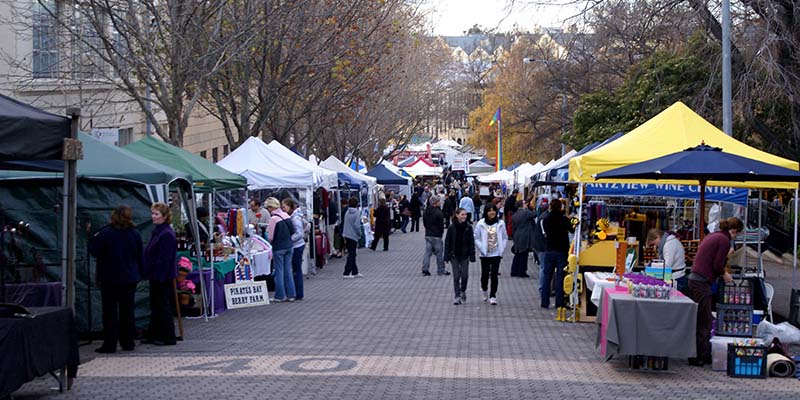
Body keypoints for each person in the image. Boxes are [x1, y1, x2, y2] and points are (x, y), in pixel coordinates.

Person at [688, 217, 743, 367]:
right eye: (737, 234)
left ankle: (699, 353)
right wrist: (725, 274)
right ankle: (699, 356)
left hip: (694, 279)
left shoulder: (713, 235)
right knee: (704, 320)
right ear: (734, 231)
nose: (735, 237)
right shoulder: (724, 241)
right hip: (701, 282)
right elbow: (717, 265)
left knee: (700, 318)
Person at [88, 205, 142, 353]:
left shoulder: (105, 233)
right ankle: (128, 342)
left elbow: (94, 250)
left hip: (109, 277)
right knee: (128, 311)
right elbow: (139, 254)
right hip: (129, 277)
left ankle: (110, 343)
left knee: (110, 312)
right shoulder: (135, 234)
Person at [142, 202, 177, 346]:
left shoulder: (166, 234)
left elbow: (165, 258)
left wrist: (160, 275)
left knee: (162, 305)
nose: (153, 217)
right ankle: (154, 334)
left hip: (161, 276)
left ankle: (168, 336)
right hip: (155, 274)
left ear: (164, 216)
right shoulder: (158, 231)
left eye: (156, 214)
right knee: (156, 305)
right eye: (153, 213)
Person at [541, 199, 574, 318]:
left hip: (549, 249)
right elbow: (572, 229)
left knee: (547, 276)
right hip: (561, 250)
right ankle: (559, 302)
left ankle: (544, 301)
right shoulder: (564, 219)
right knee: (560, 277)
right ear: (561, 207)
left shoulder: (546, 219)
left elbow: (545, 233)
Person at [474, 203, 507, 305]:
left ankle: (493, 295)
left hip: (496, 253)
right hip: (485, 254)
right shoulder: (481, 223)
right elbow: (476, 237)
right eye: (489, 211)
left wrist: (502, 248)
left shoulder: (500, 223)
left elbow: (504, 237)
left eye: (493, 210)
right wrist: (481, 248)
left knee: (494, 275)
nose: (492, 213)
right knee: (484, 274)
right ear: (486, 212)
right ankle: (484, 289)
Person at [266, 197, 296, 302]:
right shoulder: (286, 215)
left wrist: (269, 243)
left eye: (268, 208)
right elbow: (293, 230)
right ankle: (291, 294)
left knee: (279, 271)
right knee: (288, 270)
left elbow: (270, 237)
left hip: (278, 247)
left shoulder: (273, 219)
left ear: (271, 207)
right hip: (289, 246)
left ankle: (280, 296)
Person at [444, 208, 476, 305]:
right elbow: (447, 242)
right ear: (457, 215)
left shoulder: (468, 227)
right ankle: (457, 296)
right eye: (462, 214)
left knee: (465, 275)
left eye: (465, 214)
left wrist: (472, 255)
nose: (464, 216)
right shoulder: (451, 227)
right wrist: (446, 257)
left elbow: (471, 242)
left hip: (464, 255)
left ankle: (463, 290)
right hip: (454, 255)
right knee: (456, 276)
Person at [283, 198, 308, 300]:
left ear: (290, 207)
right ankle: (297, 292)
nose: (283, 209)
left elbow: (300, 233)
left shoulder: (295, 218)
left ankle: (298, 293)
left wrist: (289, 239)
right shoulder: (294, 217)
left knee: (296, 270)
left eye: (284, 207)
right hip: (297, 245)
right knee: (295, 269)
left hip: (297, 246)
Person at [422, 195, 449, 276]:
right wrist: (441, 232)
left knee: (427, 253)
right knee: (439, 253)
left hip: (428, 234)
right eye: (439, 201)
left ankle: (425, 268)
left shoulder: (426, 211)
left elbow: (424, 223)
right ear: (436, 202)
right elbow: (441, 225)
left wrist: (428, 229)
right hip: (437, 235)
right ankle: (441, 269)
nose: (440, 203)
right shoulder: (439, 212)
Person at [510, 199, 536, 278]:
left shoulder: (515, 214)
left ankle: (514, 271)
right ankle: (522, 271)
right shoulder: (525, 212)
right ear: (521, 205)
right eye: (524, 203)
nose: (526, 204)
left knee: (517, 254)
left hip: (517, 235)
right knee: (523, 254)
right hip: (524, 236)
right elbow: (534, 214)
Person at [342, 197, 364, 278]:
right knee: (352, 254)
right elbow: (357, 226)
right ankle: (346, 272)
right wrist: (360, 234)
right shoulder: (357, 213)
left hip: (346, 234)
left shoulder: (347, 212)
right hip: (353, 235)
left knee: (352, 253)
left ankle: (355, 271)